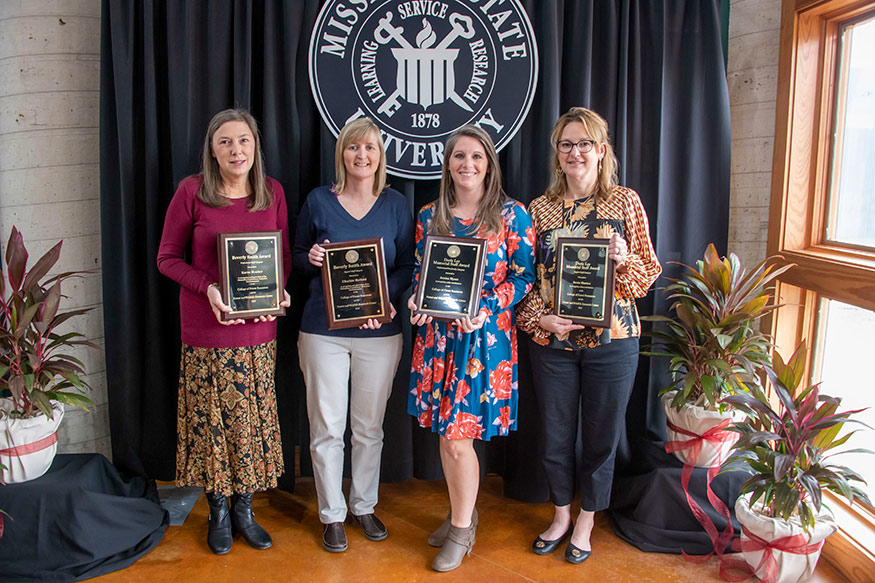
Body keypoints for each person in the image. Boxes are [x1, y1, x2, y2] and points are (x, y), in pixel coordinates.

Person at [516, 107, 661, 564]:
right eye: (566, 145)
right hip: (553, 343)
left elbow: (647, 275)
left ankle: (587, 519)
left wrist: (624, 259)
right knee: (556, 435)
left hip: (615, 341)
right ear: (557, 155)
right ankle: (560, 514)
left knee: (601, 438)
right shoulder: (538, 210)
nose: (575, 152)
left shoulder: (625, 202)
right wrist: (541, 319)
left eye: (584, 144)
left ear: (601, 151)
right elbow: (520, 280)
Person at [157, 109, 291, 555]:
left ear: (256, 146)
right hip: (206, 330)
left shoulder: (272, 193)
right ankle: (217, 510)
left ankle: (245, 511)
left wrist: (280, 293)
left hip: (259, 331)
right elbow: (167, 258)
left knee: (250, 422)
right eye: (226, 142)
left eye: (244, 141)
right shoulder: (192, 192)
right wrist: (209, 287)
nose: (237, 150)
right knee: (212, 424)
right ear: (212, 151)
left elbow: (284, 255)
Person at [407, 125, 535, 572]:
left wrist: (486, 305)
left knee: (458, 442)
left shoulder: (512, 215)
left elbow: (523, 279)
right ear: (448, 164)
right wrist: (415, 301)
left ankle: (462, 530)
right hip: (438, 340)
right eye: (459, 156)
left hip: (483, 340)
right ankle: (463, 512)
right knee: (448, 439)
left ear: (489, 163)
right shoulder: (429, 216)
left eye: (476, 156)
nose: (467, 164)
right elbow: (421, 275)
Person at [294, 117, 414, 553]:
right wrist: (308, 257)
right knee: (326, 425)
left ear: (380, 156)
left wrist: (384, 301)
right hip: (322, 329)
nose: (361, 156)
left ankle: (363, 504)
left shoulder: (396, 204)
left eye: (370, 149)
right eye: (353, 148)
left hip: (379, 332)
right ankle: (332, 515)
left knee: (368, 427)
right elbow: (295, 256)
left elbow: (407, 268)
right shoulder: (318, 201)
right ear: (341, 153)